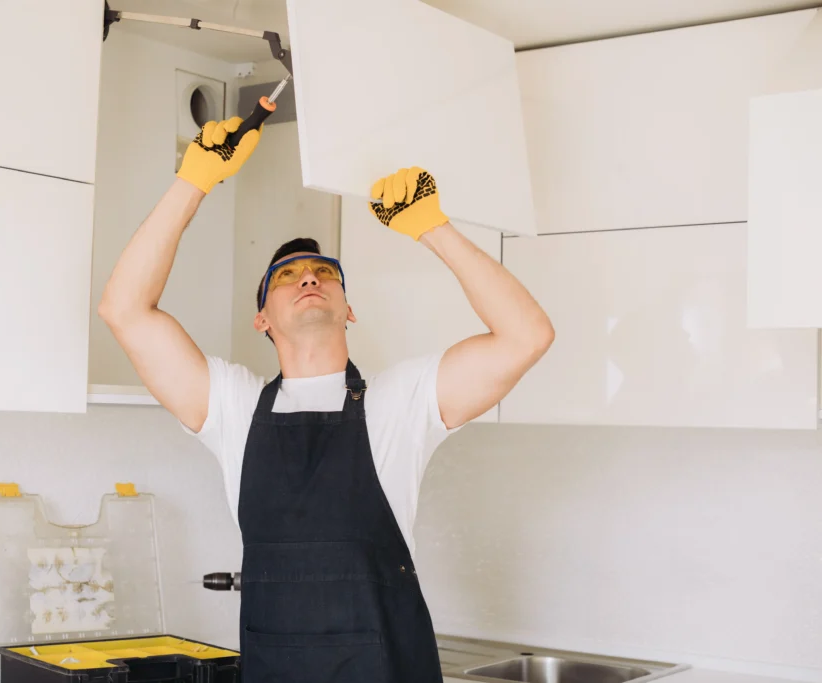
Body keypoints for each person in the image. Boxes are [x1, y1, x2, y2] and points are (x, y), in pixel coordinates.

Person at [99, 115, 554, 683]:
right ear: (262, 317)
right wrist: (193, 181)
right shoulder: (232, 409)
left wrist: (432, 227)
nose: (308, 278)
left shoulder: (401, 403)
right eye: (286, 276)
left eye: (323, 272)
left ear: (349, 308)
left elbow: (526, 336)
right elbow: (125, 310)